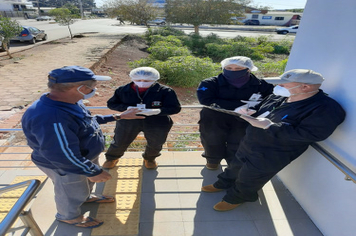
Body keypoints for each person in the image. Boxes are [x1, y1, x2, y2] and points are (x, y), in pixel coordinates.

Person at [201, 69, 346, 211]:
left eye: (284, 84)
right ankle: (223, 183)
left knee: (251, 177)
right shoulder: (279, 97)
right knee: (235, 165)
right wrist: (248, 111)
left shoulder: (326, 108)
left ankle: (238, 197)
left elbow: (311, 134)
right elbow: (261, 110)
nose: (279, 86)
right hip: (249, 143)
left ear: (305, 86)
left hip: (274, 153)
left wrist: (270, 127)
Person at [21, 66, 143, 228]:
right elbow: (62, 155)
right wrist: (92, 171)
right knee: (70, 191)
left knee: (84, 184)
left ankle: (86, 197)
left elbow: (86, 121)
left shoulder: (66, 101)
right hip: (67, 165)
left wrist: (118, 116)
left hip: (82, 158)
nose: (94, 89)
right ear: (82, 88)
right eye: (92, 86)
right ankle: (68, 216)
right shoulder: (52, 116)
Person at [197, 56, 273, 170]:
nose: (233, 71)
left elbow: (270, 101)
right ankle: (213, 160)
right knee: (212, 138)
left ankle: (233, 164)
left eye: (238, 69)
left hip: (246, 118)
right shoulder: (209, 83)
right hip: (214, 117)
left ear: (249, 69)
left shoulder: (262, 85)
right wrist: (238, 106)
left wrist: (253, 108)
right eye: (229, 68)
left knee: (239, 140)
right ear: (223, 68)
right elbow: (206, 100)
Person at [103, 67, 181, 169]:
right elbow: (111, 104)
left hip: (157, 122)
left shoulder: (165, 91)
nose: (142, 83)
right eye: (138, 80)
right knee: (120, 140)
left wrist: (157, 111)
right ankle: (112, 158)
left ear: (154, 79)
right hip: (129, 120)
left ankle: (150, 159)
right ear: (132, 78)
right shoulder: (123, 90)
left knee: (156, 142)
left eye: (147, 81)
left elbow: (175, 108)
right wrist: (126, 108)